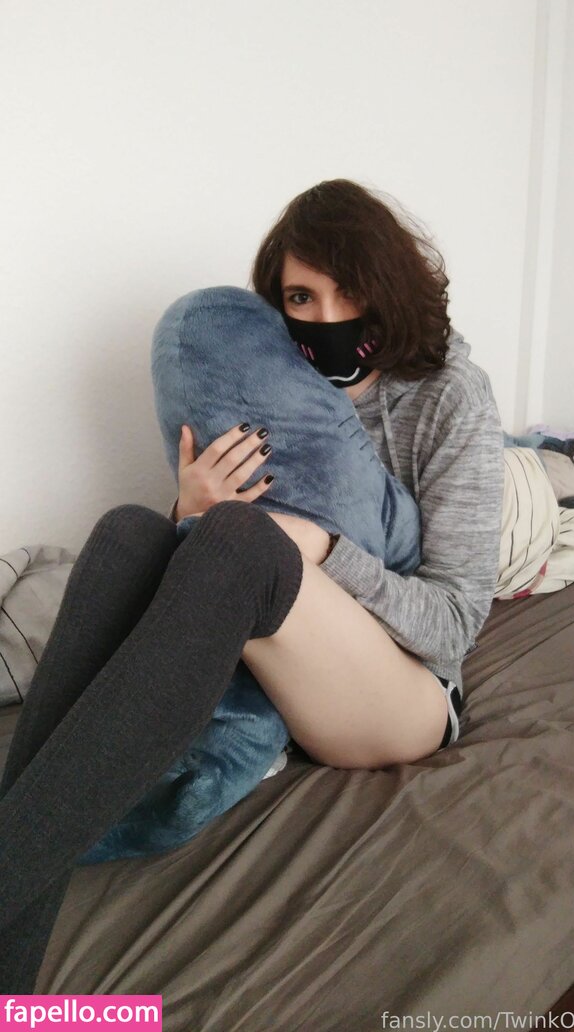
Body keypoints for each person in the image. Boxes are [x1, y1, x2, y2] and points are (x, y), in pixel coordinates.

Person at [0, 178, 504, 993]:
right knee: (129, 529)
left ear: (390, 287)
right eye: (302, 297)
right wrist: (186, 511)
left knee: (242, 539)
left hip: (402, 691)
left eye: (351, 291)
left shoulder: (450, 395)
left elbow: (455, 622)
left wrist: (323, 546)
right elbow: (202, 581)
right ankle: (13, 982)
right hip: (276, 662)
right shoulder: (265, 379)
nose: (327, 316)